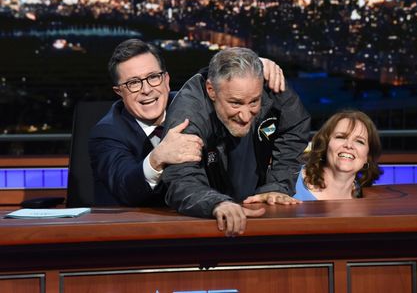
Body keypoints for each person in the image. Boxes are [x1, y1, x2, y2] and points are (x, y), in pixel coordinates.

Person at [88, 39, 288, 206]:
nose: (146, 89)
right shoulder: (107, 133)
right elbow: (124, 186)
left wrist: (250, 65)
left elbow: (214, 81)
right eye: (133, 83)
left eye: (153, 77)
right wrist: (156, 159)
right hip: (139, 237)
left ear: (166, 79)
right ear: (119, 92)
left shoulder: (192, 105)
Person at [161, 47, 311, 236]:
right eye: (236, 103)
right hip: (205, 222)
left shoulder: (269, 83)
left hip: (255, 204)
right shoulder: (188, 112)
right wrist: (216, 202)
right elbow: (181, 178)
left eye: (254, 102)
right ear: (211, 90)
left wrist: (277, 186)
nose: (246, 115)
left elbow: (296, 125)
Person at [293, 110, 382, 201]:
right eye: (341, 137)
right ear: (325, 144)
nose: (349, 145)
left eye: (359, 141)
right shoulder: (289, 179)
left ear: (368, 156)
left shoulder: (367, 199)